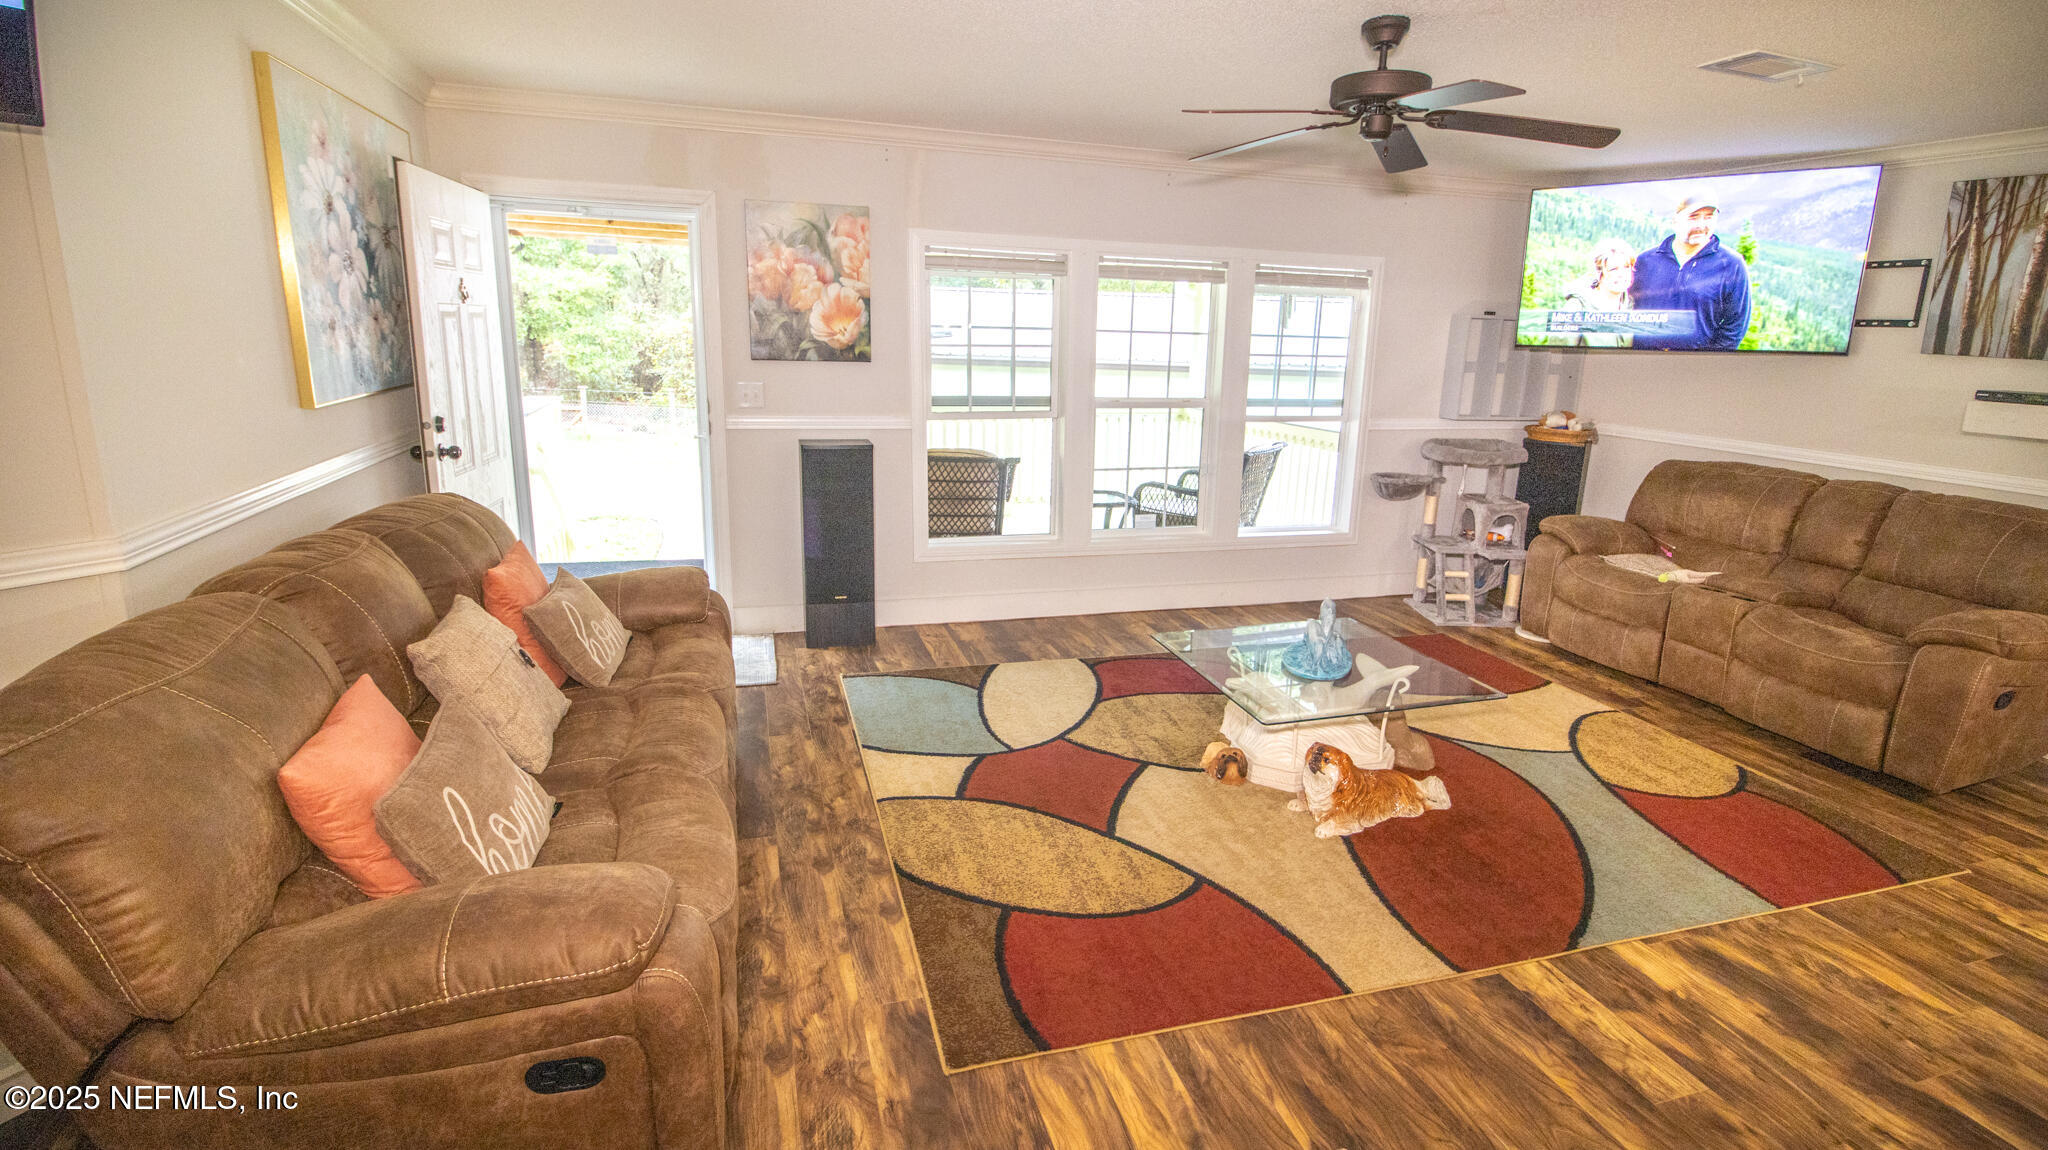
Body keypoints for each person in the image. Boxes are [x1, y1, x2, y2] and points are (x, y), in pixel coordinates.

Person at [1629, 194, 1752, 350]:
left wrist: (1705, 360)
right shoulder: (1646, 260)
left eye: (1708, 217)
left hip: (1695, 363)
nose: (1701, 225)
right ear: (1675, 220)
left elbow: (1735, 326)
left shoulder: (1731, 264)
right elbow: (1625, 305)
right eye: (1693, 217)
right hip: (1642, 359)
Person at [1557, 238, 1637, 347]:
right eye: (1613, 269)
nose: (1621, 274)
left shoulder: (1630, 306)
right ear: (1599, 272)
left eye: (1626, 267)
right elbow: (1559, 352)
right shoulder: (1577, 307)